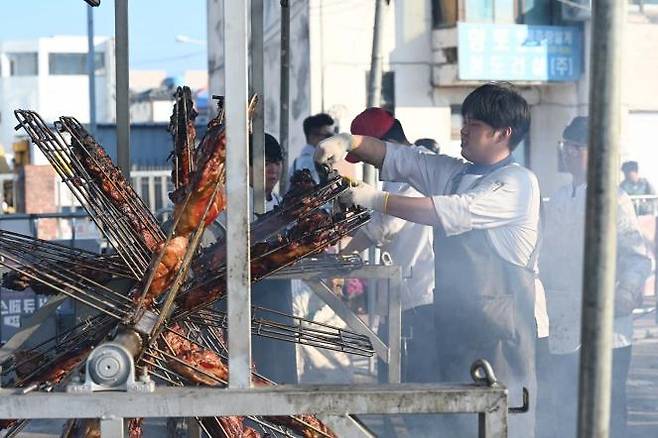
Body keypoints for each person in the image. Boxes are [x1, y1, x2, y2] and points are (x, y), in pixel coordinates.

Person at [315, 83, 541, 437]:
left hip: (502, 339)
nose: (463, 130)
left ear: (503, 133)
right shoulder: (455, 174)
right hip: (456, 330)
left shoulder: (517, 183)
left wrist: (376, 199)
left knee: (499, 427)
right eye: (464, 120)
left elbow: (449, 211)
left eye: (475, 124)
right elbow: (403, 159)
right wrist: (349, 142)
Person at [540, 116, 651, 438]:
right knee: (563, 408)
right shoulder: (560, 198)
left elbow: (637, 256)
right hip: (562, 324)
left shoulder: (613, 198)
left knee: (607, 412)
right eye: (567, 146)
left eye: (578, 147)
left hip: (607, 329)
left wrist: (627, 291)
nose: (570, 153)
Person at [342, 108, 437, 388]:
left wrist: (341, 257)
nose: (369, 165)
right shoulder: (402, 170)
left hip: (421, 296)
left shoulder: (415, 170)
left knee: (412, 383)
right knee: (394, 376)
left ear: (380, 144)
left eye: (367, 156)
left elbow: (381, 227)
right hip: (407, 294)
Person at [216, 133, 297, 384]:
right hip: (245, 304)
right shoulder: (231, 205)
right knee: (256, 377)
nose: (272, 170)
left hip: (279, 302)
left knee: (281, 377)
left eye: (276, 162)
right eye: (263, 163)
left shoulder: (281, 203)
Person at [291, 113, 335, 184]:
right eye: (328, 136)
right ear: (313, 136)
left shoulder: (298, 161)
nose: (332, 140)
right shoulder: (311, 163)